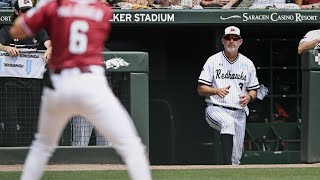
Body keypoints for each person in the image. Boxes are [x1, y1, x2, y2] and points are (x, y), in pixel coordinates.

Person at [10, 0, 152, 180]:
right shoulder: (103, 10)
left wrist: (40, 11)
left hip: (59, 85)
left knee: (42, 147)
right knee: (131, 146)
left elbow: (16, 31)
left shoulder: (54, 6)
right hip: (91, 83)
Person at [197, 26, 260, 165]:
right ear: (223, 41)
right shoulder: (213, 61)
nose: (231, 41)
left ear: (240, 42)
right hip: (216, 108)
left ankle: (229, 170)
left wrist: (249, 97)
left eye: (235, 38)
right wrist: (215, 90)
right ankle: (225, 167)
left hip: (239, 112)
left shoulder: (248, 63)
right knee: (227, 123)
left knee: (235, 159)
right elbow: (200, 89)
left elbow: (254, 90)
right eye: (228, 38)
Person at [0, 0, 51, 147]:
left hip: (33, 83)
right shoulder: (6, 30)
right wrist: (5, 48)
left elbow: (49, 43)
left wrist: (49, 49)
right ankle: (10, 156)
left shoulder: (38, 30)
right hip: (11, 84)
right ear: (17, 12)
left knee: (32, 122)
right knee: (10, 121)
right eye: (24, 11)